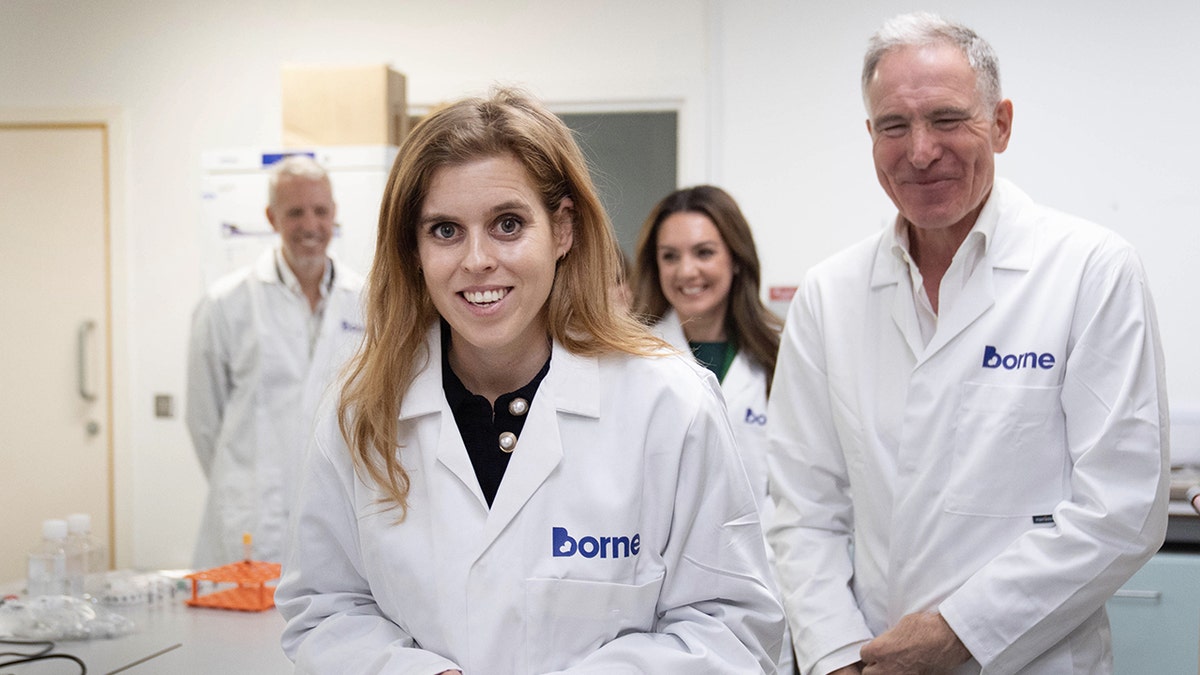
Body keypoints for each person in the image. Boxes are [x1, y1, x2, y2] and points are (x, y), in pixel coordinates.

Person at [274, 88, 785, 674]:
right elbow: (324, 607)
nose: (477, 260)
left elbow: (732, 625)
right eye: (444, 230)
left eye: (508, 224)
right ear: (412, 249)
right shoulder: (361, 407)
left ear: (562, 230)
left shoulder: (668, 402)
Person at [767, 12, 1169, 675]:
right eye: (894, 126)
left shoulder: (1090, 269)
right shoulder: (829, 293)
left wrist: (962, 630)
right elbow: (803, 510)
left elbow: (1120, 507)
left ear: (1001, 124)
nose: (920, 150)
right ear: (871, 136)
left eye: (949, 119)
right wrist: (836, 654)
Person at [632, 184, 789, 671]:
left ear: (736, 259)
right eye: (670, 256)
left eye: (704, 252)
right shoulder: (632, 361)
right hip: (663, 610)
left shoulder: (781, 357)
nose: (687, 271)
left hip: (774, 597)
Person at [185, 155, 365, 569]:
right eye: (295, 212)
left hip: (338, 508)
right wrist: (244, 482)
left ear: (334, 215)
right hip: (251, 514)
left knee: (332, 620)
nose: (310, 225)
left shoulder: (366, 302)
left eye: (320, 211)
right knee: (236, 630)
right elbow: (203, 420)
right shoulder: (225, 304)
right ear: (272, 217)